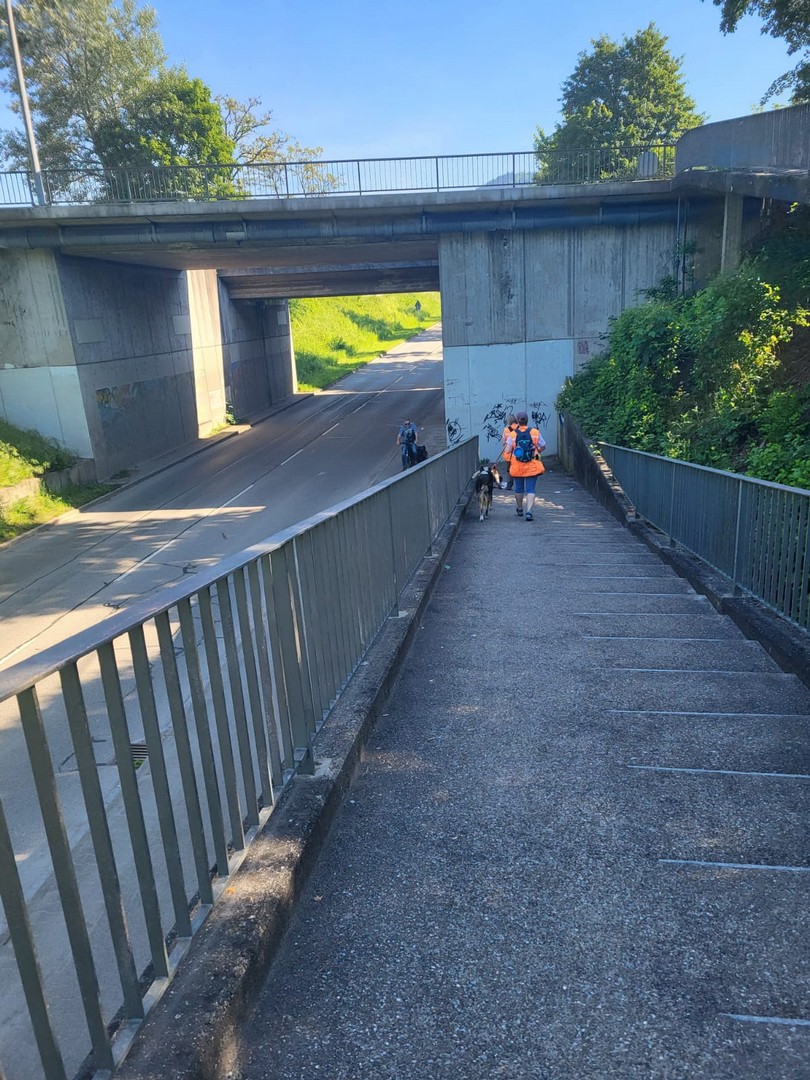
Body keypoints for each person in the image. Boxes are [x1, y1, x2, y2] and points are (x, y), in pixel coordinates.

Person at [505, 410, 546, 521]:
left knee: (519, 489)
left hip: (517, 466)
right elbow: (543, 446)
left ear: (517, 421)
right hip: (532, 465)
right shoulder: (535, 432)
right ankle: (529, 512)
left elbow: (507, 451)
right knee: (531, 489)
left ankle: (519, 509)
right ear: (527, 420)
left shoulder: (513, 434)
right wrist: (538, 450)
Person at [501, 413, 518, 490]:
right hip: (518, 453)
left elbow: (503, 442)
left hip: (509, 454)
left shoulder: (506, 430)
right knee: (519, 469)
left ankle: (509, 485)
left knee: (509, 470)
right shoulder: (520, 428)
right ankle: (519, 485)